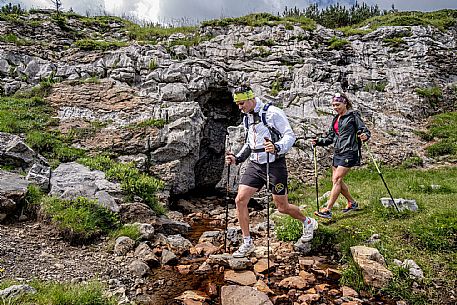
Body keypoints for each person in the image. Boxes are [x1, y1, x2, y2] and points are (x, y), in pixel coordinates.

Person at [226, 85, 318, 258]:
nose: (240, 107)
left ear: (251, 98)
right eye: (237, 104)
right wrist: (237, 158)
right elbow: (250, 143)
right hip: (255, 164)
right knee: (240, 200)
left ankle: (308, 222)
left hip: (274, 164)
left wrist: (276, 147)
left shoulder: (272, 113)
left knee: (282, 207)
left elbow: (290, 136)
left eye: (242, 103)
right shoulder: (247, 118)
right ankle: (247, 242)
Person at [311, 93, 370, 219]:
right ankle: (352, 203)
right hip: (338, 152)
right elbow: (331, 137)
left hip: (350, 151)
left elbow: (364, 129)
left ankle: (327, 209)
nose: (335, 107)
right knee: (336, 180)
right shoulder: (336, 119)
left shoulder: (353, 116)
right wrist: (319, 141)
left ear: (345, 103)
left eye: (337, 104)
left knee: (337, 179)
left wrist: (364, 135)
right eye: (333, 105)